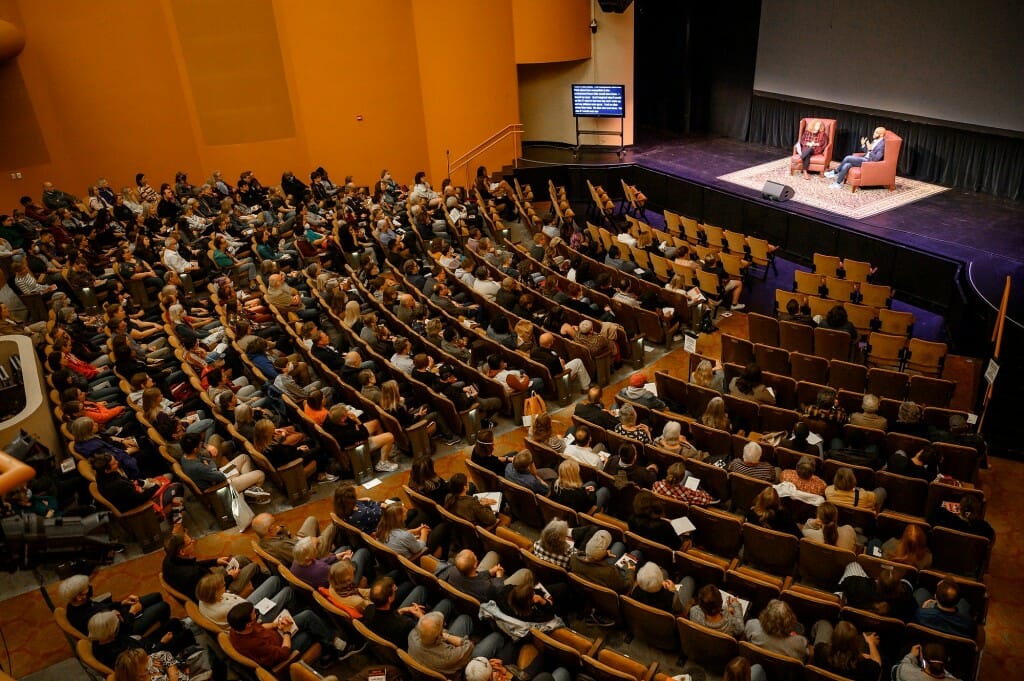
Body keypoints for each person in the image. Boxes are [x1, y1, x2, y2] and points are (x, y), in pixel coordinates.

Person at [226, 601, 357, 670]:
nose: (257, 614)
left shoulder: (237, 627)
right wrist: (287, 632)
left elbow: (260, 627)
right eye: (254, 614)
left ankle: (330, 649)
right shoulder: (254, 645)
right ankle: (338, 649)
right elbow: (283, 653)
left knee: (307, 616)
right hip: (283, 648)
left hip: (278, 635)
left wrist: (277, 624)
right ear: (248, 623)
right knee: (310, 633)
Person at [59, 574, 170, 638]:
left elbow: (101, 606)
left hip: (119, 614)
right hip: (126, 629)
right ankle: (162, 631)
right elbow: (118, 630)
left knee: (156, 596)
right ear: (79, 597)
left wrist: (122, 602)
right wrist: (133, 612)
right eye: (86, 591)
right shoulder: (91, 619)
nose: (89, 591)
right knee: (163, 606)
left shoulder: (77, 603)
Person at [407, 611, 506, 678]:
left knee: (464, 619)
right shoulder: (449, 656)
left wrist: (441, 633)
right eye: (443, 625)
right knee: (497, 637)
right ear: (439, 636)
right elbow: (469, 646)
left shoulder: (412, 635)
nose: (445, 623)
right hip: (460, 671)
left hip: (431, 662)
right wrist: (446, 636)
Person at [251, 512, 336, 567]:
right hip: (307, 553)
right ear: (271, 529)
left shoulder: (263, 540)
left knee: (311, 519)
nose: (277, 524)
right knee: (334, 525)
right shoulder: (281, 547)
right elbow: (303, 557)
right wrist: (312, 541)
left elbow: (288, 537)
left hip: (296, 543)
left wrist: (281, 529)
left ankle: (325, 550)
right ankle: (323, 553)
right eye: (274, 523)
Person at [811, 620, 882, 681]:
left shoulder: (820, 651)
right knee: (869, 634)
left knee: (823, 623)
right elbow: (878, 664)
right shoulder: (865, 667)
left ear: (832, 638)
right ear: (856, 644)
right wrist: (871, 643)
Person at [744, 599, 810, 662]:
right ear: (791, 620)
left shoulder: (752, 625)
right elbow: (806, 655)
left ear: (765, 615)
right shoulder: (798, 642)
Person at [894, 643, 962, 681]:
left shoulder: (905, 673)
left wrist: (911, 656)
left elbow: (897, 667)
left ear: (922, 659)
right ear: (948, 660)